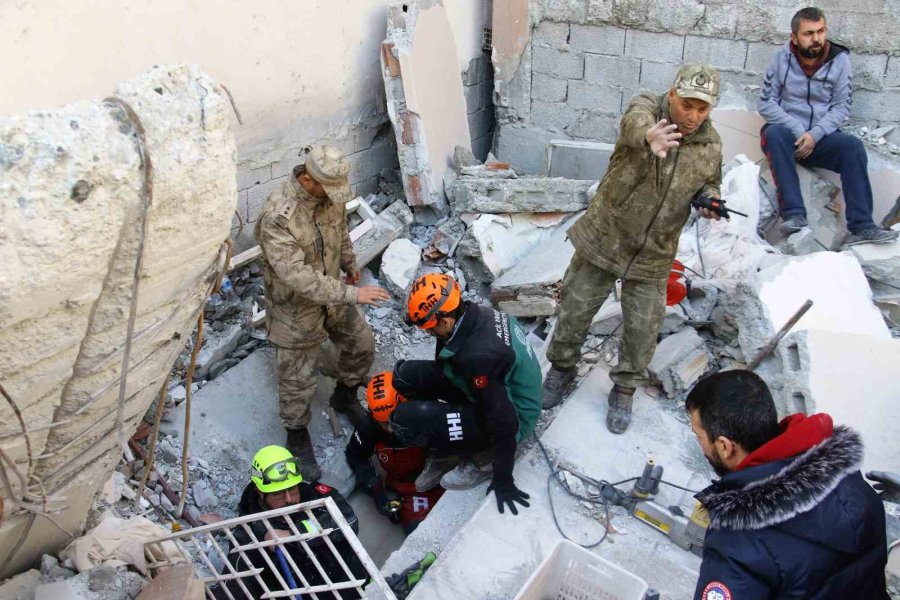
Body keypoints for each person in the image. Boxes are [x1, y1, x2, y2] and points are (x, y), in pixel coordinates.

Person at [542, 63, 724, 434]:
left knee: (642, 330)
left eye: (701, 109)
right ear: (672, 94)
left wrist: (710, 200)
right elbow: (633, 124)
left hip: (655, 251)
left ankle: (624, 388)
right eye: (686, 104)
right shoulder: (646, 110)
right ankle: (562, 368)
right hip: (606, 236)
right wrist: (648, 137)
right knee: (575, 309)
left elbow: (711, 183)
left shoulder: (711, 145)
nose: (692, 116)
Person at [687, 371, 888, 600]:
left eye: (698, 436)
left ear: (725, 446)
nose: (700, 445)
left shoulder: (737, 544)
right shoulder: (848, 479)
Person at [255, 143, 391, 479]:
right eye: (328, 189)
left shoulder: (330, 197)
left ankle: (344, 395)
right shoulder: (277, 217)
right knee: (298, 381)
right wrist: (352, 293)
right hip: (295, 310)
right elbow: (298, 276)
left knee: (362, 345)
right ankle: (297, 435)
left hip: (332, 295)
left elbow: (340, 230)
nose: (335, 196)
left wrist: (350, 263)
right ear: (307, 179)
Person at [392, 272, 542, 515]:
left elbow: (505, 424)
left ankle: (482, 460)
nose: (428, 333)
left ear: (446, 321)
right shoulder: (471, 315)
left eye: (429, 328)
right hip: (491, 387)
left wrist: (504, 477)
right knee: (403, 374)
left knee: (405, 418)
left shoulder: (478, 358)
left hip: (517, 414)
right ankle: (445, 441)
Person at [759, 7, 898, 246]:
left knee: (852, 147)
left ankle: (861, 225)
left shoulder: (839, 60)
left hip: (820, 139)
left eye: (821, 31)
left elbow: (842, 106)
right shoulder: (781, 59)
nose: (816, 38)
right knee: (773, 133)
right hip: (787, 138)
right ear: (794, 37)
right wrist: (798, 130)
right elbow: (766, 103)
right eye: (809, 33)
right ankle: (794, 214)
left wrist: (814, 135)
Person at [215, 445, 368, 600]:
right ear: (259, 492)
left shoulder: (317, 496)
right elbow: (235, 584)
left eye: (293, 489)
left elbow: (349, 520)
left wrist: (294, 534)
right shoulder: (249, 533)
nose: (288, 499)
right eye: (278, 493)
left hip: (359, 586)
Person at [345, 371, 445, 534]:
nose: (390, 430)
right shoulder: (368, 427)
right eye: (383, 424)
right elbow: (356, 456)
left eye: (392, 421)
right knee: (420, 535)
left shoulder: (426, 409)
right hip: (411, 490)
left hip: (445, 475)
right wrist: (375, 488)